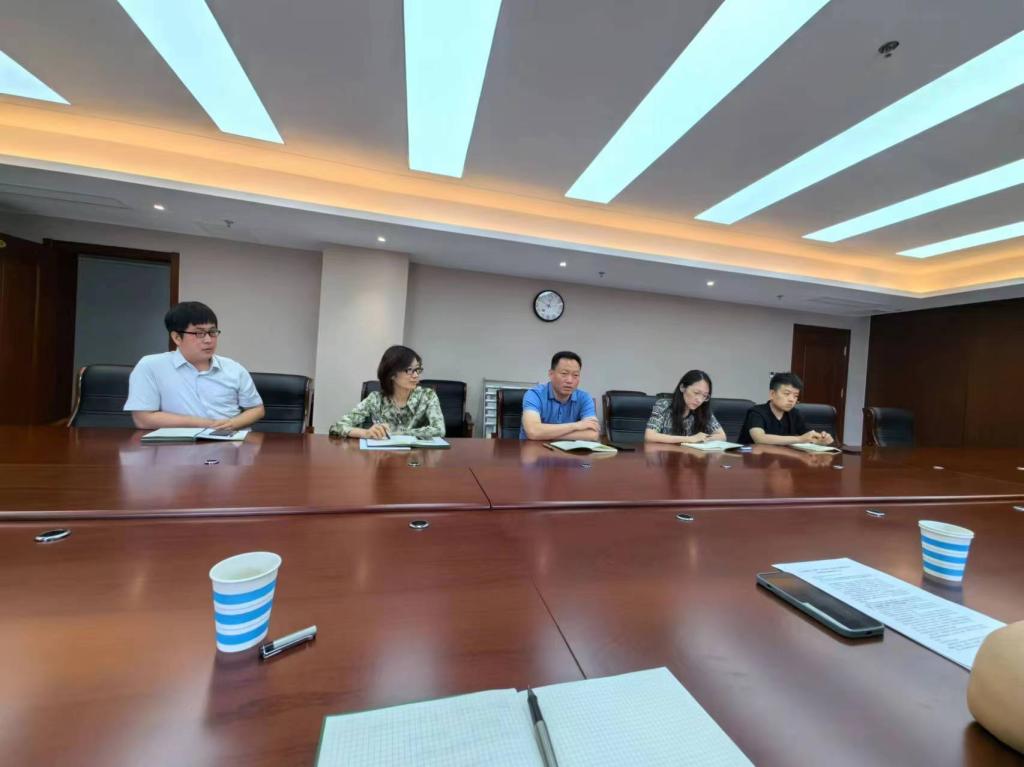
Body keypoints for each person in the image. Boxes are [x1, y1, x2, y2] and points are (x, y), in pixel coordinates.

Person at [124, 301, 265, 430]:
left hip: (230, 441)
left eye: (212, 332)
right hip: (175, 446)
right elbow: (143, 419)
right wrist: (205, 424)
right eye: (199, 333)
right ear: (177, 337)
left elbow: (257, 409)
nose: (208, 340)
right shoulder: (151, 366)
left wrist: (232, 424)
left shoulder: (234, 368)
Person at [329, 345, 444, 439]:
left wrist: (397, 433)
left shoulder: (428, 396)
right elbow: (337, 427)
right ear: (392, 374)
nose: (416, 375)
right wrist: (366, 433)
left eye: (417, 369)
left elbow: (439, 430)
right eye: (409, 370)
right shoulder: (375, 399)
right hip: (384, 457)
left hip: (416, 457)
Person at [520, 351, 600, 441]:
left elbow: (592, 434)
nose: (569, 380)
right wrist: (576, 426)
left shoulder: (584, 398)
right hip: (533, 448)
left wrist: (546, 434)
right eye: (564, 373)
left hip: (568, 450)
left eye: (575, 375)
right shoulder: (534, 394)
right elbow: (533, 431)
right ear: (551, 374)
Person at [738, 372, 834, 445]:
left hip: (782, 460)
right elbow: (759, 439)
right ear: (772, 394)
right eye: (787, 394)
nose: (792, 399)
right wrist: (799, 439)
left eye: (796, 396)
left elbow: (808, 436)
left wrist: (821, 440)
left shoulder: (795, 414)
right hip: (752, 461)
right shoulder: (756, 412)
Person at [644, 370, 727, 444]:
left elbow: (722, 436)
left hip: (692, 455)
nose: (699, 400)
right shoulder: (663, 405)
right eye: (696, 393)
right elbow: (650, 436)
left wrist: (703, 438)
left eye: (704, 396)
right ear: (682, 387)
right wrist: (690, 439)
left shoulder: (703, 410)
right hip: (666, 455)